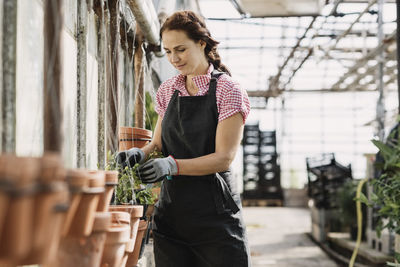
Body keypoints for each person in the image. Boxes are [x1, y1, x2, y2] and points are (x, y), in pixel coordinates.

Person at [116, 10, 251, 267]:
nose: (174, 59)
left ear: (201, 43)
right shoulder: (168, 89)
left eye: (181, 49)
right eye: (167, 51)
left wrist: (172, 165)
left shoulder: (228, 90)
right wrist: (139, 154)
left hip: (215, 220)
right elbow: (157, 144)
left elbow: (224, 158)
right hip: (172, 217)